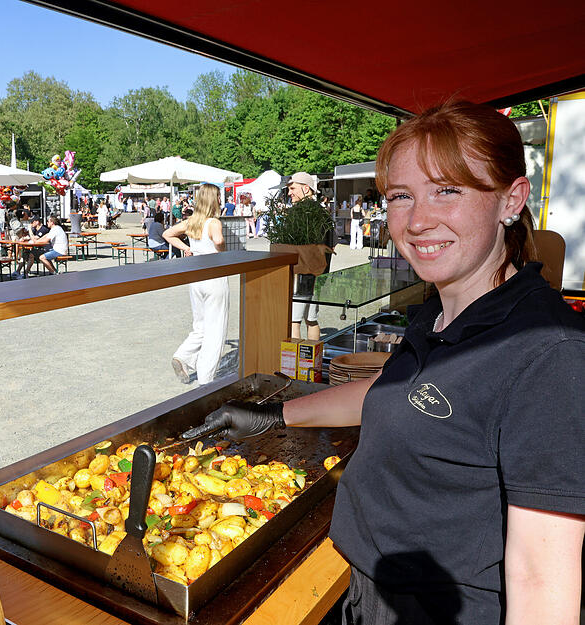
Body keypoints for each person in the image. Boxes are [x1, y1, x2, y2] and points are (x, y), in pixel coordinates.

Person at [182, 101, 585, 624]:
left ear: (512, 198)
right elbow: (399, 393)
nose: (418, 220)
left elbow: (543, 582)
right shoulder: (442, 311)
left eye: (448, 190)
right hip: (367, 596)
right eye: (401, 196)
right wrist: (272, 416)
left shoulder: (548, 354)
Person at [163, 183, 228, 386]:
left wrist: (187, 249)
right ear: (213, 199)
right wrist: (223, 249)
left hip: (196, 277)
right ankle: (206, 379)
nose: (220, 200)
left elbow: (167, 234)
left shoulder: (191, 222)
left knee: (200, 325)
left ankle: (182, 356)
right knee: (216, 328)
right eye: (218, 196)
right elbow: (218, 241)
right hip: (215, 275)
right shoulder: (214, 222)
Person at [286, 171, 334, 340]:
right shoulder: (324, 213)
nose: (289, 192)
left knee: (293, 322)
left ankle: (295, 366)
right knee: (311, 320)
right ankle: (313, 364)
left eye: (293, 188)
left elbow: (289, 246)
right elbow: (331, 244)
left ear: (306, 189)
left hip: (300, 275)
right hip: (319, 274)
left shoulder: (298, 214)